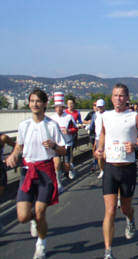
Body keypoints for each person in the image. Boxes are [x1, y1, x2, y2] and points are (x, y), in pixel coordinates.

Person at [6, 88, 66, 259]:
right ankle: (33, 220)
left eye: (38, 101)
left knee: (41, 212)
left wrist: (54, 146)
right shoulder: (24, 125)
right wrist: (13, 155)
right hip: (27, 171)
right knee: (22, 216)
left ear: (45, 104)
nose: (35, 104)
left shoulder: (51, 125)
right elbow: (19, 146)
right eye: (32, 101)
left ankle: (41, 243)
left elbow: (62, 150)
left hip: (45, 172)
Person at [95, 83, 138, 259]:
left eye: (121, 96)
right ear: (111, 98)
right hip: (111, 167)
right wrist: (99, 148)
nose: (118, 99)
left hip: (127, 169)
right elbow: (103, 134)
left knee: (125, 208)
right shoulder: (105, 116)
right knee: (110, 210)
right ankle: (108, 251)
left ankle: (130, 218)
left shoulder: (134, 116)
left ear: (127, 98)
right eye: (115, 95)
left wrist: (135, 145)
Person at [51, 92, 78, 192]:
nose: (58, 109)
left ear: (63, 107)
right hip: (56, 145)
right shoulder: (51, 118)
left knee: (65, 165)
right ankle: (58, 183)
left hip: (67, 143)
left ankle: (70, 167)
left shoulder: (68, 117)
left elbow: (75, 128)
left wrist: (68, 131)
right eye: (56, 107)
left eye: (60, 107)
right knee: (56, 164)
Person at [65, 98, 81, 179]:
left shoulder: (76, 113)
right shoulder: (64, 113)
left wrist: (80, 125)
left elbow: (79, 122)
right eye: (69, 103)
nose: (70, 105)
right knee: (65, 155)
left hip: (73, 135)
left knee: (70, 154)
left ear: (74, 104)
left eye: (71, 103)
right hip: (64, 137)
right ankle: (67, 169)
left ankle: (70, 169)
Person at [94, 99, 106, 179]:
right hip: (98, 138)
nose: (100, 108)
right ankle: (102, 170)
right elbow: (93, 126)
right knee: (99, 155)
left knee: (106, 155)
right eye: (98, 107)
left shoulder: (108, 114)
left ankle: (107, 169)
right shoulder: (95, 115)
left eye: (101, 106)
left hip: (107, 137)